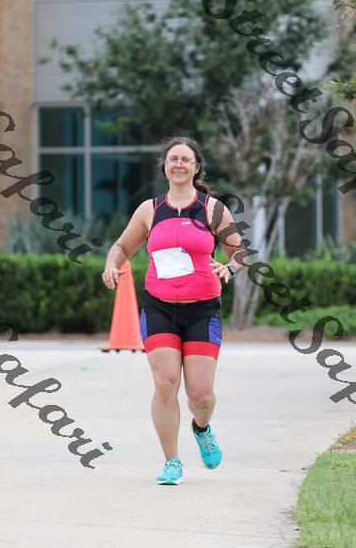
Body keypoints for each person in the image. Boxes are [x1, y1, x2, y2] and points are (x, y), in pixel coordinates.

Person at [102, 135, 247, 485]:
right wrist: (111, 265)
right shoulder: (150, 210)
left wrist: (230, 268)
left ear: (196, 167)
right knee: (166, 384)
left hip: (202, 311)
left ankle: (202, 427)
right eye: (172, 159)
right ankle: (172, 461)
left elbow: (239, 252)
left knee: (201, 395)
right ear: (164, 166)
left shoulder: (213, 209)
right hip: (159, 309)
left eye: (185, 159)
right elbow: (122, 247)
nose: (178, 164)